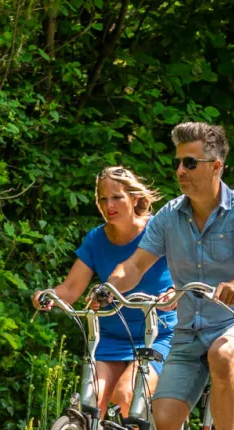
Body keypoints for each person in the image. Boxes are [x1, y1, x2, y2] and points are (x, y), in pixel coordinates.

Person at [103, 121, 234, 430]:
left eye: (190, 163)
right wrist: (109, 289)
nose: (181, 171)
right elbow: (134, 266)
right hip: (188, 334)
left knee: (223, 354)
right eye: (178, 163)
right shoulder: (168, 217)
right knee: (160, 425)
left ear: (216, 166)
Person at [35, 166, 174, 416]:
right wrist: (48, 296)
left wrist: (173, 292)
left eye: (117, 197)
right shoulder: (96, 239)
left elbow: (188, 272)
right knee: (89, 403)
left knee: (126, 394)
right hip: (110, 337)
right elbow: (70, 288)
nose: (109, 205)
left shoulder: (159, 231)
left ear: (134, 197)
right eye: (102, 198)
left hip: (157, 334)